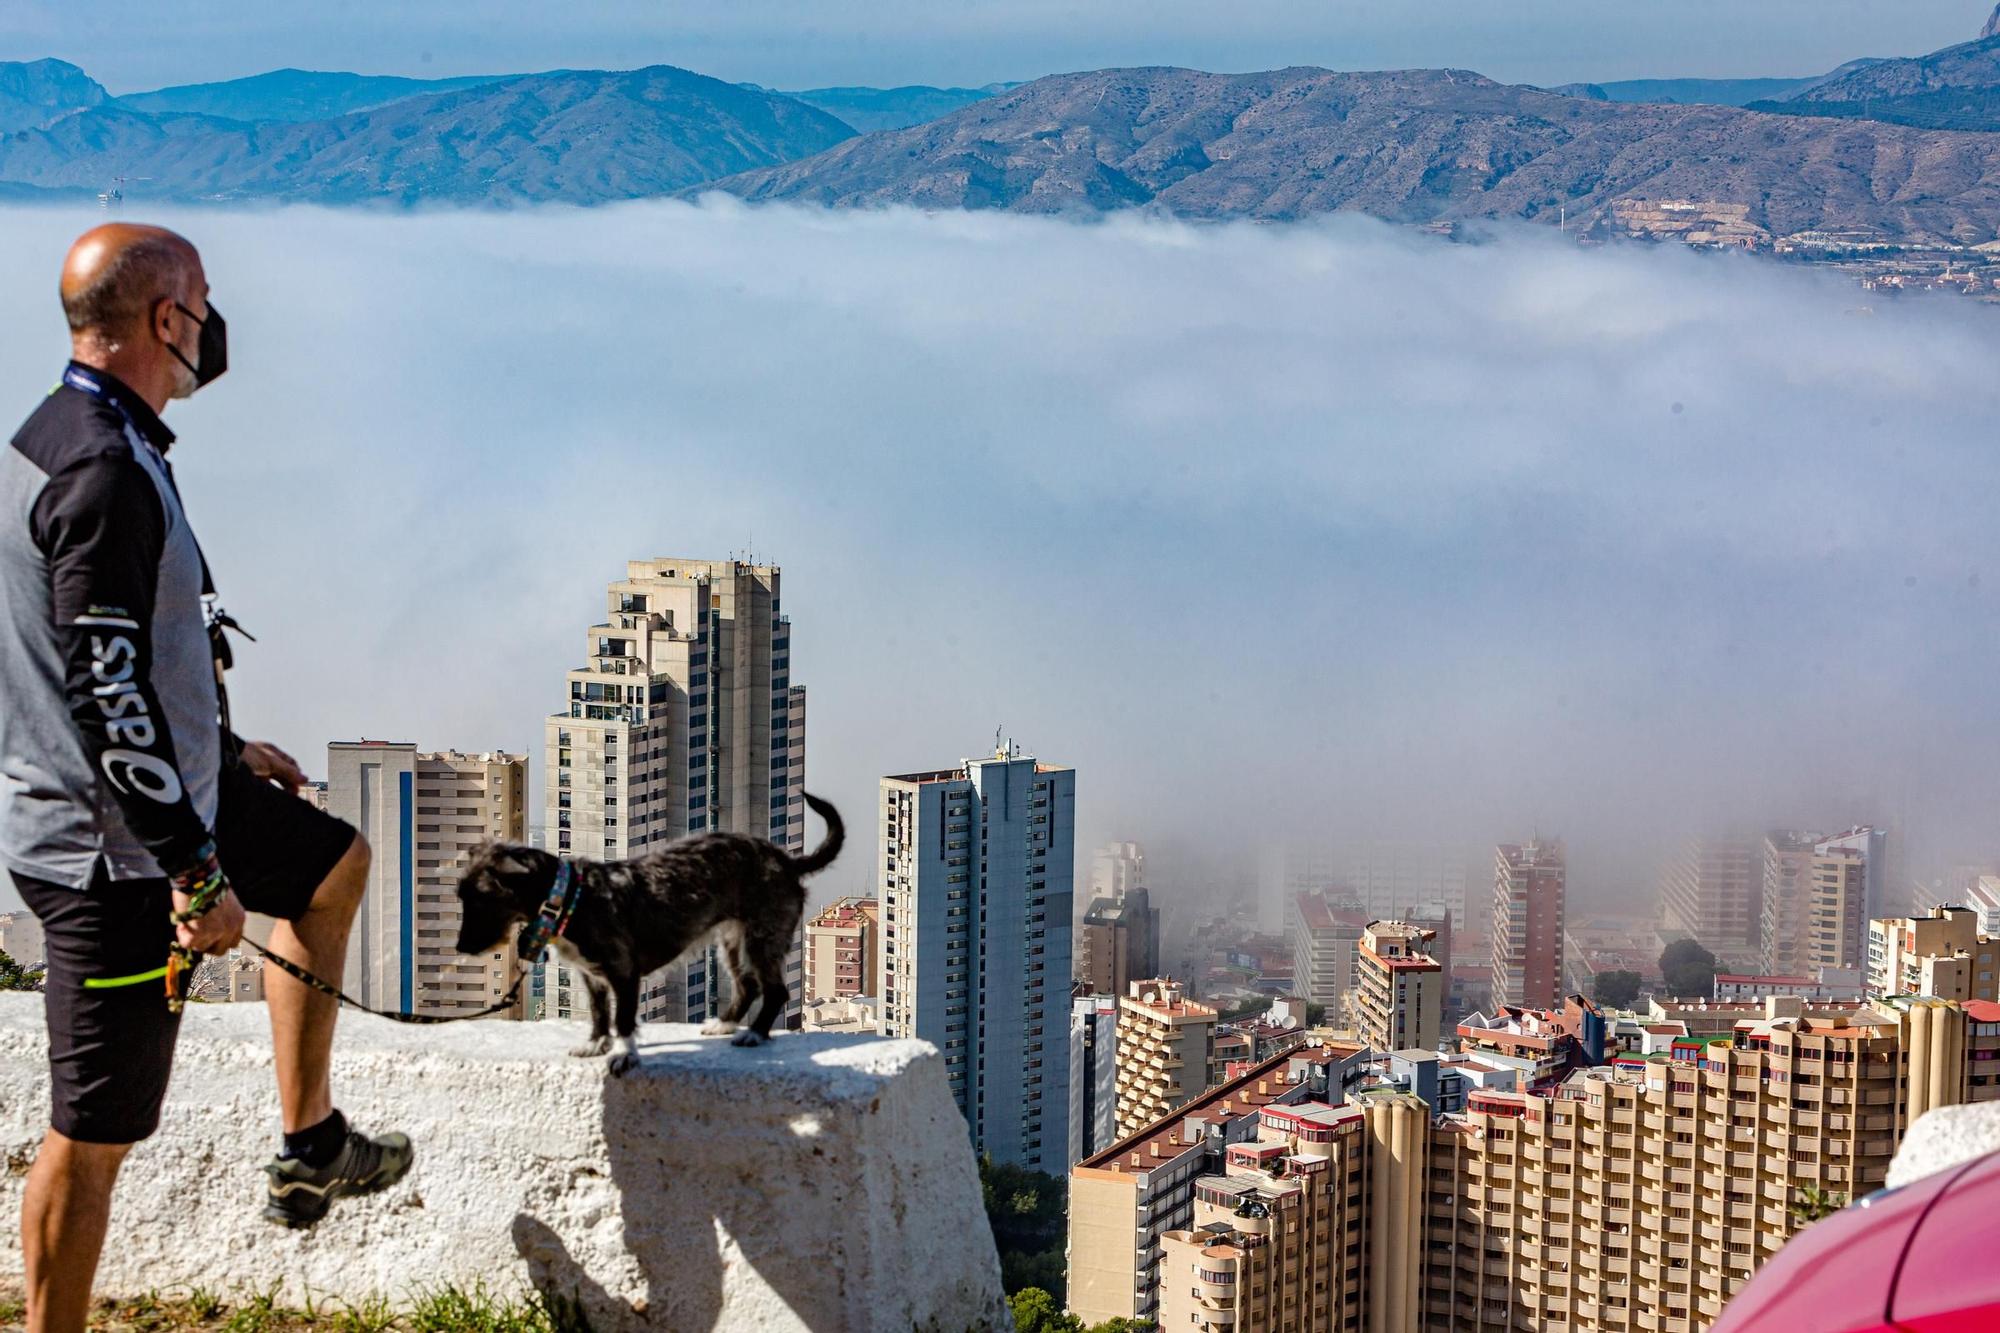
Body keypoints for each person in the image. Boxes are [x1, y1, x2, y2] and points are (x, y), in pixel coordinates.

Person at [0, 224, 412, 1331]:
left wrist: (221, 753)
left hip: (159, 798)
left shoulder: (68, 432)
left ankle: (308, 1137)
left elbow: (119, 647)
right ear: (163, 321)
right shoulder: (101, 474)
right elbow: (101, 687)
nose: (214, 326)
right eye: (203, 302)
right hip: (113, 854)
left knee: (328, 863)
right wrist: (192, 872)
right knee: (92, 1136)